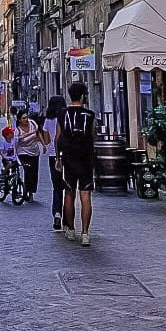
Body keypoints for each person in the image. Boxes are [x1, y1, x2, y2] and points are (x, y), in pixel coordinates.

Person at [59, 81, 98, 245]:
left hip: (68, 158)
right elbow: (93, 136)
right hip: (85, 159)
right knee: (85, 196)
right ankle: (85, 233)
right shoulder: (90, 116)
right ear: (83, 96)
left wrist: (58, 158)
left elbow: (58, 137)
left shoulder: (62, 114)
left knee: (68, 194)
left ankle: (71, 230)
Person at [43, 95, 67, 231]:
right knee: (68, 187)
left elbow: (46, 141)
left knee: (57, 186)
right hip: (66, 155)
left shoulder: (48, 120)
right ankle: (68, 218)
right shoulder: (66, 118)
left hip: (53, 156)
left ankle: (57, 213)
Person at [14, 108, 45, 203]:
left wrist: (43, 145)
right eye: (23, 118)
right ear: (19, 120)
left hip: (34, 151)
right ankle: (26, 192)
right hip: (23, 152)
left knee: (34, 172)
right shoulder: (18, 130)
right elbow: (15, 143)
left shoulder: (32, 124)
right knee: (28, 171)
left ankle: (31, 192)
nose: (26, 119)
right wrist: (15, 156)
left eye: (26, 117)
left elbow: (38, 133)